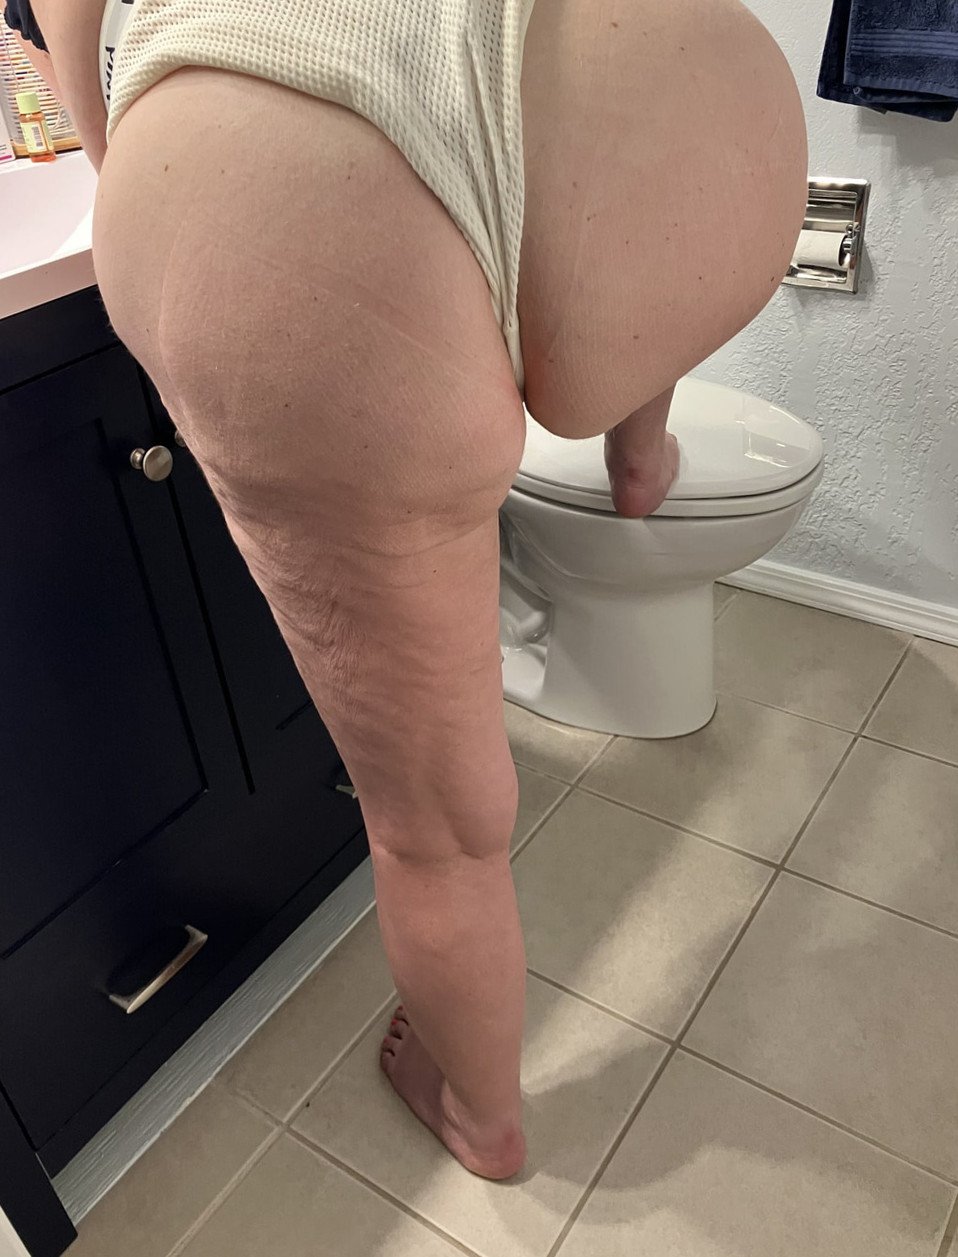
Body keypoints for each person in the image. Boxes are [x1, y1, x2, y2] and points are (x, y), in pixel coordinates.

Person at [8, 0, 807, 1180]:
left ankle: (481, 1117)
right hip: (671, 79)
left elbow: (76, 28)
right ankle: (640, 445)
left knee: (438, 829)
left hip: (277, 133)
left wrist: (138, 174)